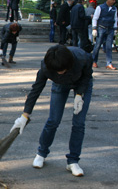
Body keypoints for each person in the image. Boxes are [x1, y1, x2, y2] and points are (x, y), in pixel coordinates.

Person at [10, 45, 93, 177]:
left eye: (62, 70)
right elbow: (36, 89)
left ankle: (73, 161)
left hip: (81, 83)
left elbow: (87, 75)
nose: (60, 72)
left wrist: (79, 94)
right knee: (53, 120)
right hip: (60, 85)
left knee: (79, 123)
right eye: (57, 71)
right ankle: (41, 153)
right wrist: (25, 115)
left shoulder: (83, 58)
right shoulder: (47, 66)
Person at [92, 0, 118, 70]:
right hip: (101, 28)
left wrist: (115, 28)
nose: (114, 1)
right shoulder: (100, 7)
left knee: (109, 46)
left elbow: (115, 19)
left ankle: (109, 63)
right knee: (97, 45)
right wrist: (94, 28)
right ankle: (94, 61)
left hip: (110, 29)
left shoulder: (114, 9)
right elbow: (95, 18)